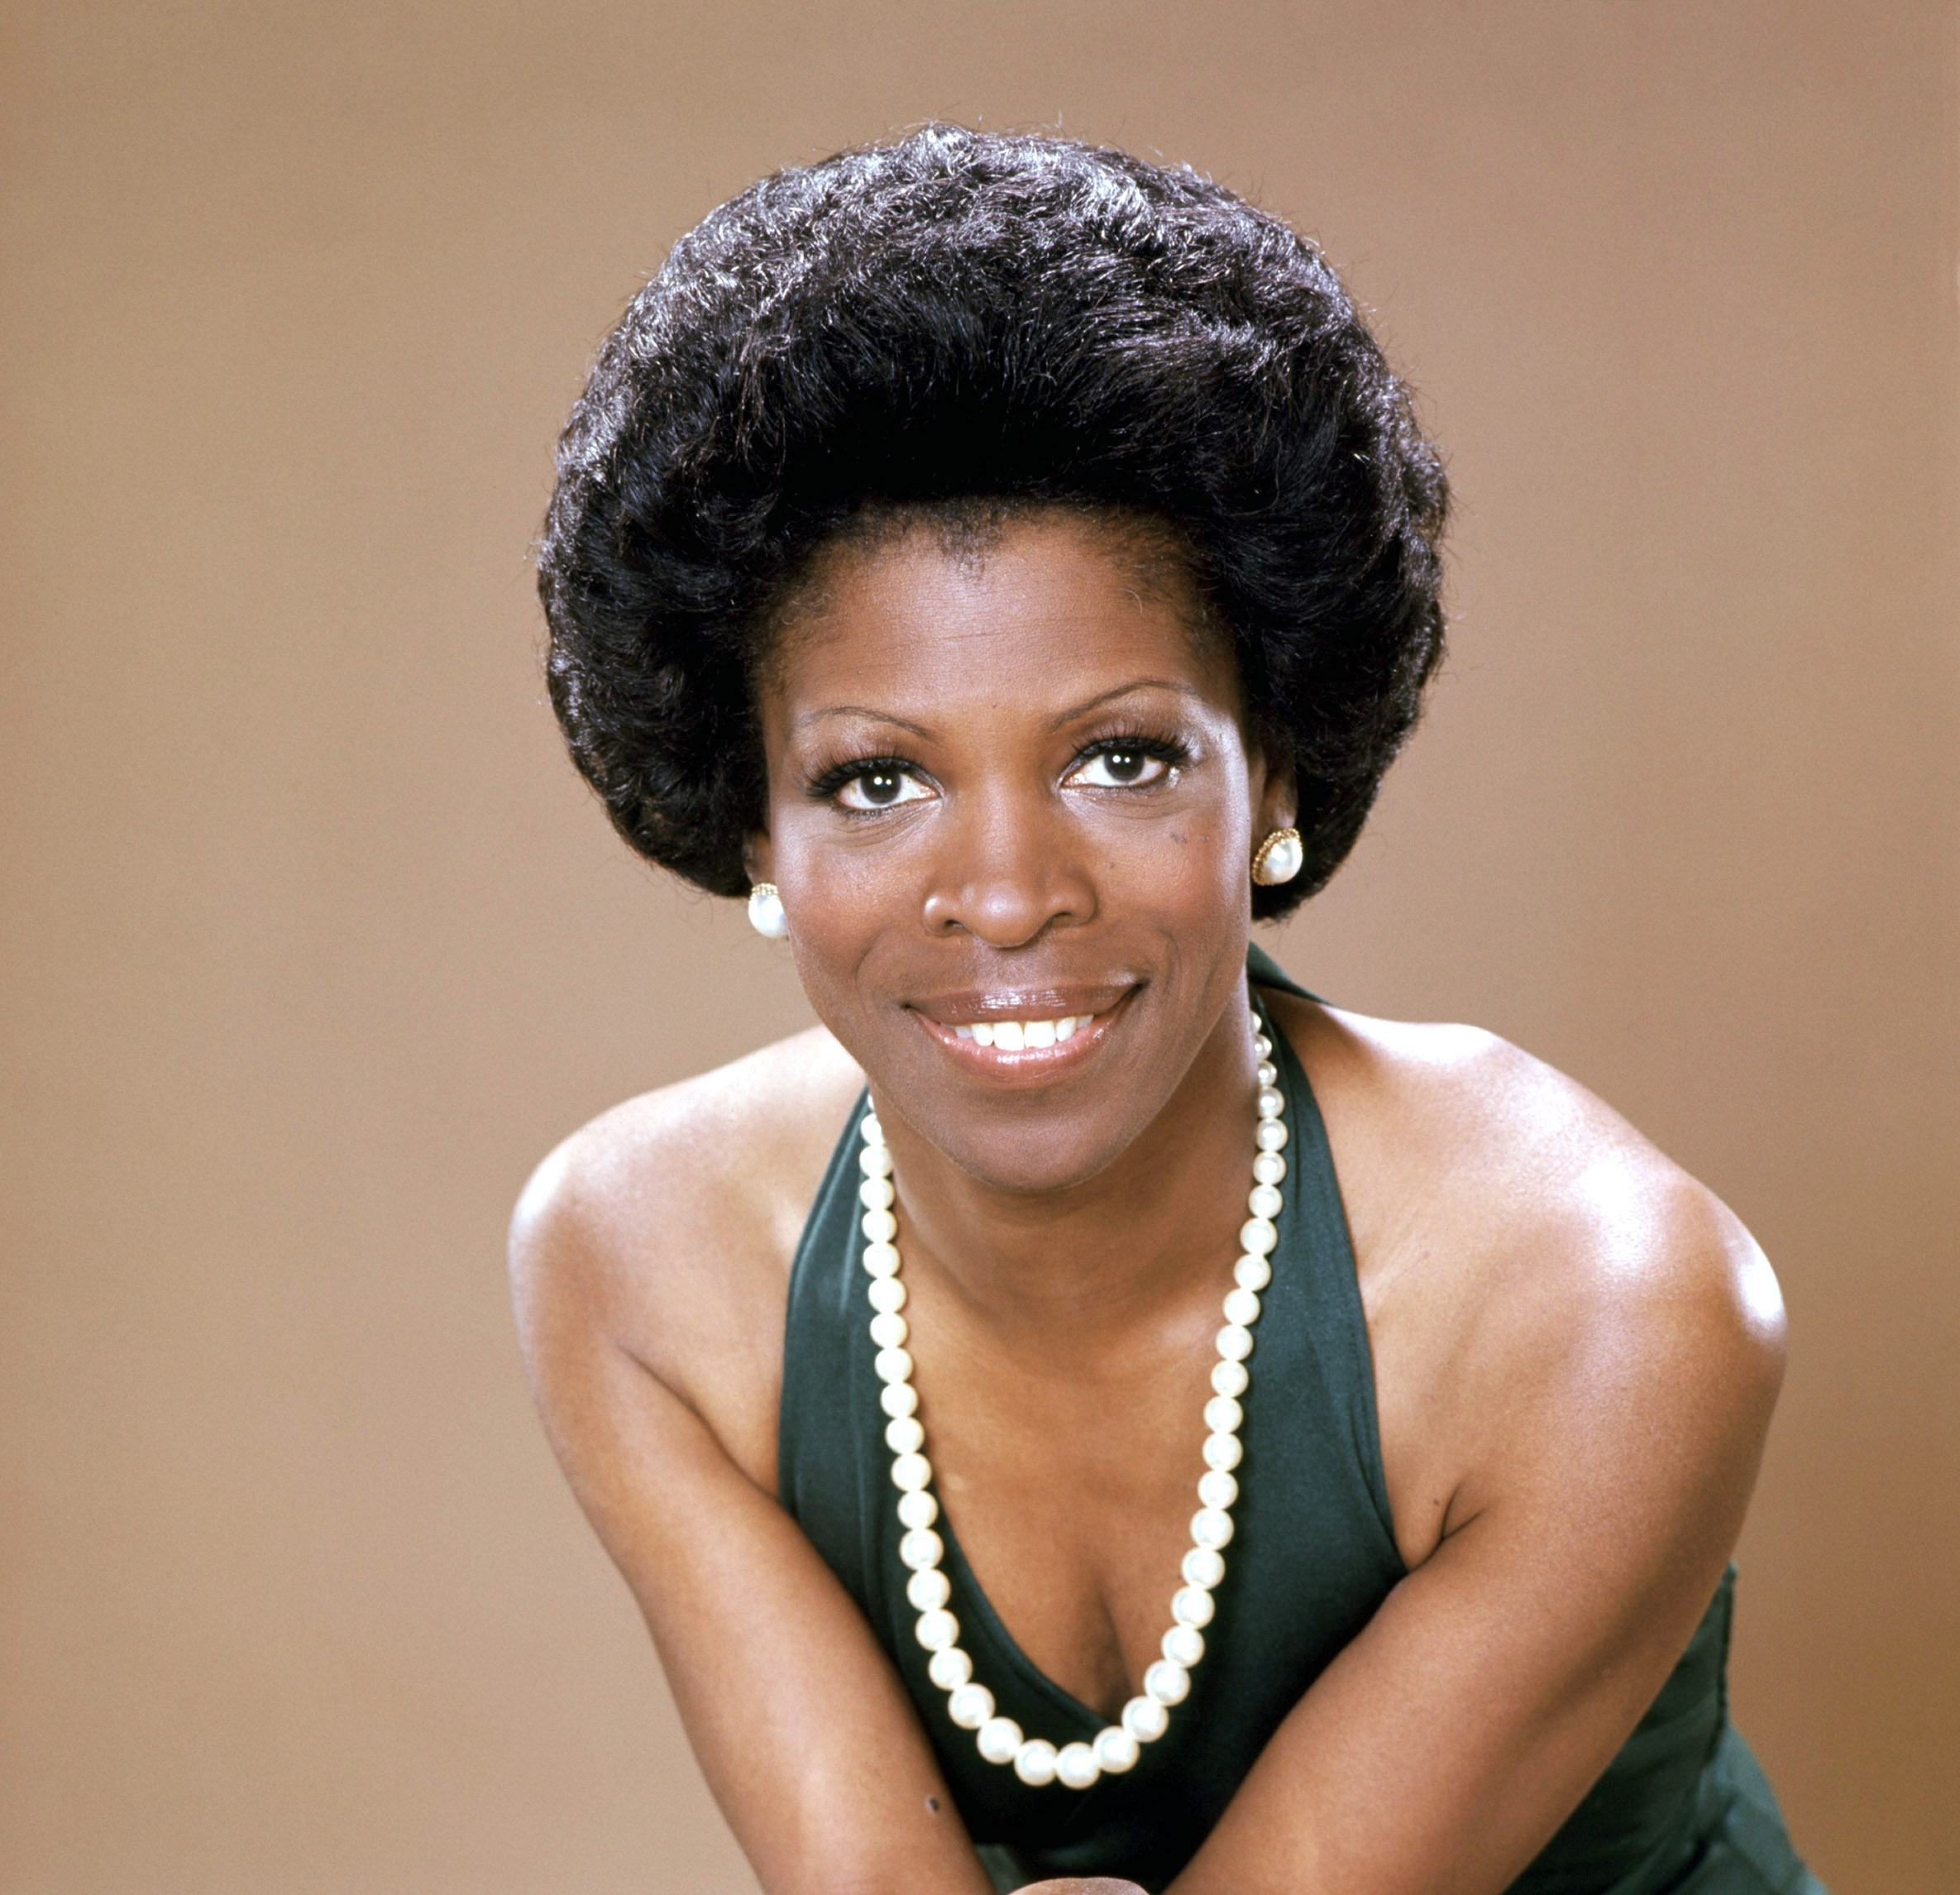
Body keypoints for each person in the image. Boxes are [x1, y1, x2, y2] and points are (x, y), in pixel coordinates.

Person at [512, 127, 1824, 1895]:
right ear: (754, 820)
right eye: (877, 782)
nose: (1004, 892)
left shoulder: (1601, 1299)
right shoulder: (644, 1262)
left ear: (1269, 771)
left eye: (1120, 758)